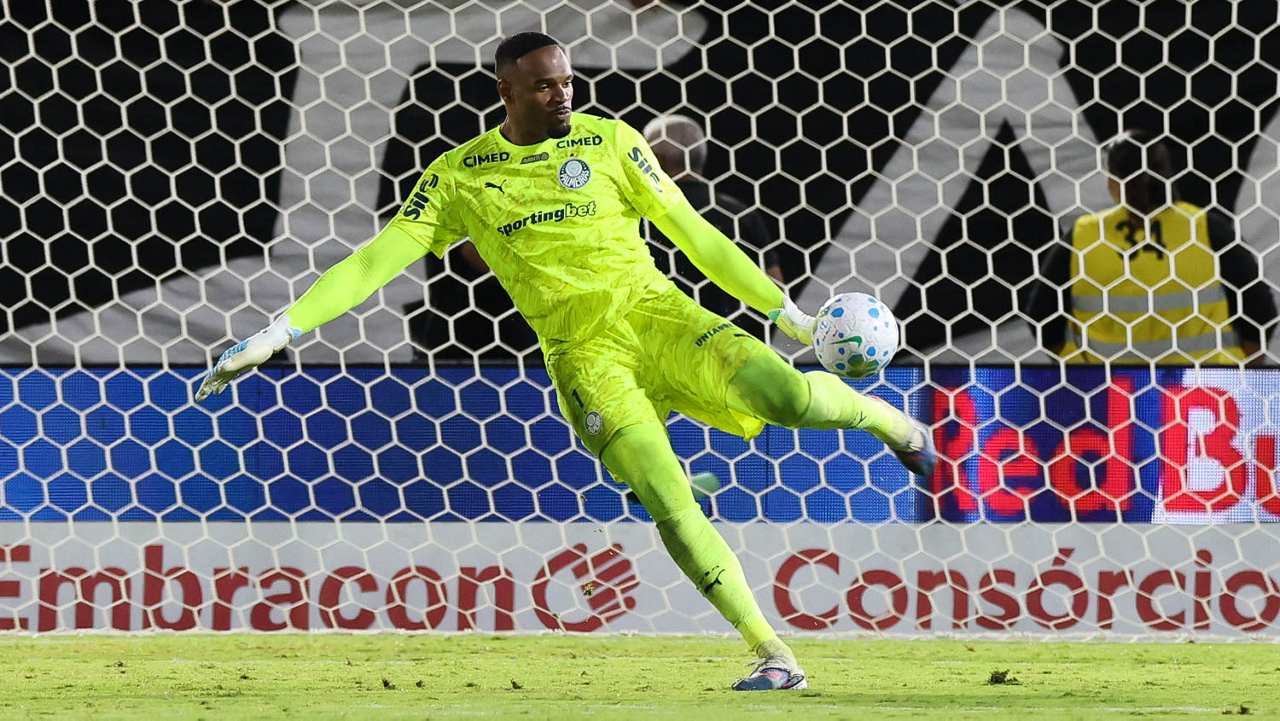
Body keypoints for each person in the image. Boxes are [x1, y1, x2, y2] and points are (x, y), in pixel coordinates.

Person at [194, 32, 935, 691]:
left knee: (790, 402)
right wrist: (279, 331)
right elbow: (373, 262)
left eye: (568, 81)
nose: (562, 94)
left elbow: (696, 235)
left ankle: (888, 420)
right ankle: (772, 651)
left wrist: (789, 316)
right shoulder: (462, 176)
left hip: (662, 316)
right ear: (505, 89)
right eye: (545, 84)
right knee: (666, 497)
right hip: (584, 355)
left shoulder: (611, 142)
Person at [1026, 130, 1276, 365]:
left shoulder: (1084, 236)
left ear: (1114, 181)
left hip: (1107, 396)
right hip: (1202, 396)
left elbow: (1040, 316)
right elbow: (1261, 312)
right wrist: (1244, 375)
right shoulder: (1206, 228)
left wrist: (1075, 371)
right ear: (1169, 172)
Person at [641, 115, 784, 339]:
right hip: (736, 347)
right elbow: (776, 290)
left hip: (661, 346)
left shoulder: (641, 216)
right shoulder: (740, 213)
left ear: (654, 157)